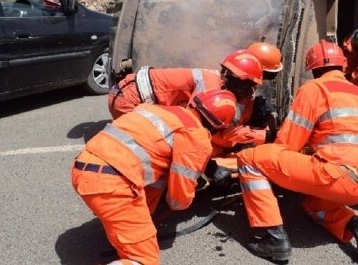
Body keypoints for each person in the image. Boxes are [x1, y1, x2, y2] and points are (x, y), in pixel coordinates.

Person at [235, 40, 358, 262]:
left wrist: (256, 144)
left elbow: (287, 145)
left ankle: (273, 239)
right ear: (342, 66)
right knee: (314, 205)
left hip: (334, 174)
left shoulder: (315, 89)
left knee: (250, 160)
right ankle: (356, 224)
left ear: (313, 69)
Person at [72, 89, 237, 265]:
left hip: (83, 167)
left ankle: (132, 228)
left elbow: (157, 172)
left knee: (158, 179)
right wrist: (194, 188)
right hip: (111, 184)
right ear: (219, 126)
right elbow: (177, 201)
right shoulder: (197, 138)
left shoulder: (162, 110)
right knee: (144, 261)